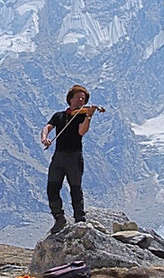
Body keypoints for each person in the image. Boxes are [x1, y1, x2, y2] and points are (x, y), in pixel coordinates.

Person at [41, 84, 97, 234]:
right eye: (78, 97)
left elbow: (81, 132)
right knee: (52, 188)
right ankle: (59, 218)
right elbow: (47, 127)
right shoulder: (59, 115)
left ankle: (79, 218)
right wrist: (45, 138)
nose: (81, 101)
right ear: (70, 99)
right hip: (58, 156)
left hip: (74, 155)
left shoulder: (82, 115)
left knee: (75, 188)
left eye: (83, 99)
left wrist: (89, 116)